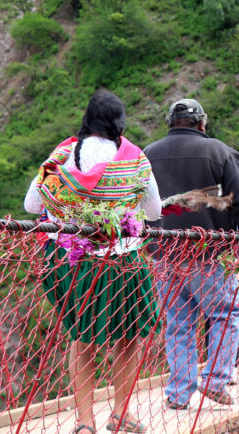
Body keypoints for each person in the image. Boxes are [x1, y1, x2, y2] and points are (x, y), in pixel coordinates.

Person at [24, 91, 162, 434]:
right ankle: (121, 414)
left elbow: (30, 204)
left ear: (87, 118)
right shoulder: (135, 159)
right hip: (124, 260)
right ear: (120, 123)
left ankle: (85, 423)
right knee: (128, 337)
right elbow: (154, 211)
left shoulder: (63, 156)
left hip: (72, 262)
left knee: (81, 338)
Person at [144, 99, 239, 410]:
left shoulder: (148, 155)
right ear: (202, 124)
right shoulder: (221, 152)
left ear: (170, 122)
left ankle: (179, 393)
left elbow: (136, 204)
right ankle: (215, 379)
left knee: (178, 323)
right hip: (209, 253)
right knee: (225, 313)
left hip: (162, 254)